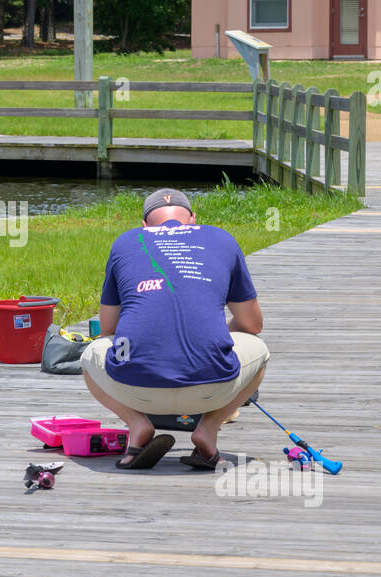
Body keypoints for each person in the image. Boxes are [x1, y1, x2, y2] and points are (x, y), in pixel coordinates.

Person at [80, 188, 269, 470]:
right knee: (261, 353)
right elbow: (252, 324)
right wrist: (217, 334)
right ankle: (209, 428)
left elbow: (109, 329)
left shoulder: (126, 242)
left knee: (89, 356)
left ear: (144, 226)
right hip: (212, 385)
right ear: (193, 219)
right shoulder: (221, 238)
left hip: (135, 387)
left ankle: (137, 424)